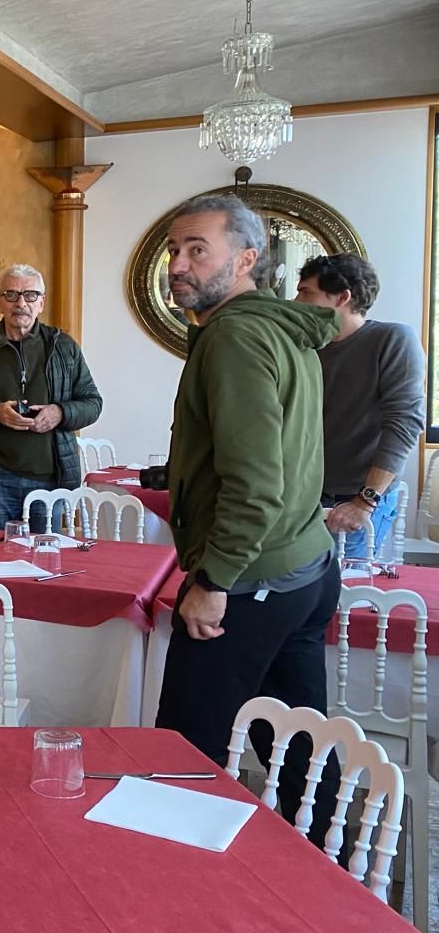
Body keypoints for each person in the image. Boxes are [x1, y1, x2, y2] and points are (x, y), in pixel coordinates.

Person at [154, 193, 341, 830]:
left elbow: (256, 483)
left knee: (182, 754)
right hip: (305, 566)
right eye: (174, 250)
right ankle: (332, 870)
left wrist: (213, 581)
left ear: (246, 260)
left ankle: (176, 879)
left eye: (197, 250)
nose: (180, 264)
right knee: (297, 749)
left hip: (253, 577)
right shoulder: (276, 328)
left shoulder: (235, 336)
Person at [0, 264, 103, 530]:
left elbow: (93, 403)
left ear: (41, 302)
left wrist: (60, 413)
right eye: (11, 294)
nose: (21, 303)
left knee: (45, 554)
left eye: (30, 295)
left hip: (51, 480)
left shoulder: (64, 347)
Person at [294, 253, 423, 560]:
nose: (296, 301)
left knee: (343, 584)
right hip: (304, 497)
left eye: (306, 292)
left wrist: (365, 501)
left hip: (357, 497)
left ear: (343, 297)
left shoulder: (392, 339)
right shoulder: (305, 348)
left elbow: (404, 424)